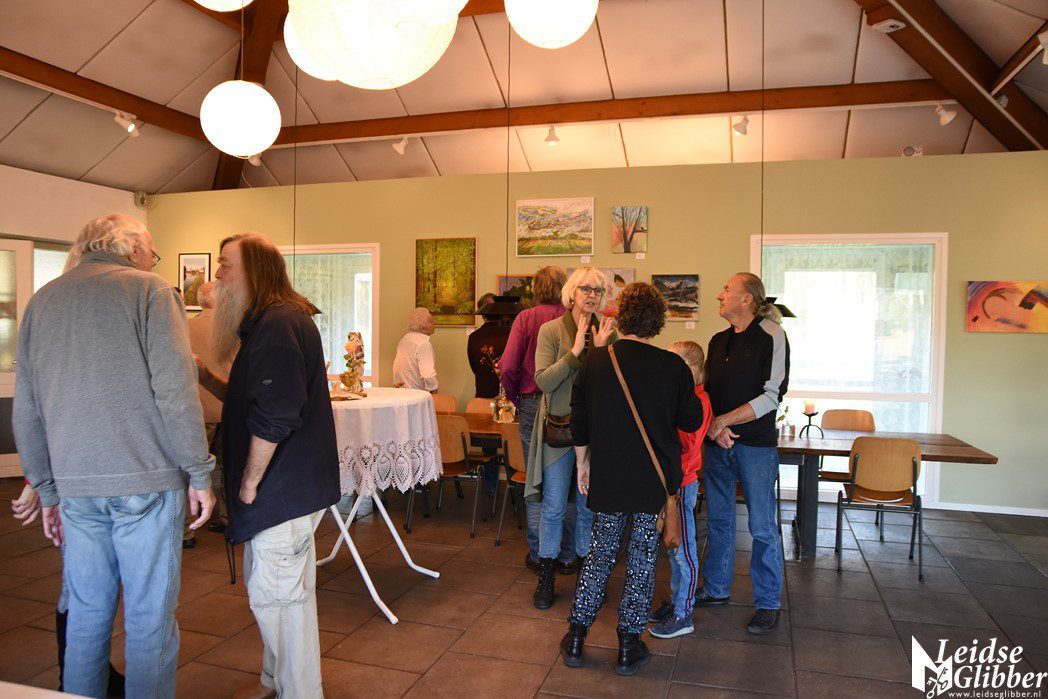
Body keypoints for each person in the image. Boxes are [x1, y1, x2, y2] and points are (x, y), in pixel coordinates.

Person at [13, 214, 216, 699]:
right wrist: (199, 472)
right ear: (133, 249)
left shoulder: (43, 301)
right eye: (153, 253)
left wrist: (46, 489)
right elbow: (175, 390)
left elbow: (28, 406)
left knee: (86, 618)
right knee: (149, 621)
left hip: (76, 488)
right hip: (147, 481)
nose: (152, 262)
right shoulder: (149, 290)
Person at [196, 232, 340, 699]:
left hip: (280, 490)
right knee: (279, 593)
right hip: (287, 489)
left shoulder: (277, 324)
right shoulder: (272, 321)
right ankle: (275, 682)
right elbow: (250, 402)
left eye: (225, 264)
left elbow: (276, 415)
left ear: (253, 271)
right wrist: (204, 377)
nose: (218, 275)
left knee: (279, 601)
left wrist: (249, 483)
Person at [560, 282, 703, 675]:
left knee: (600, 555)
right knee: (642, 560)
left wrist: (583, 463)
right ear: (657, 322)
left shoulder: (595, 362)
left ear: (620, 318)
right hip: (653, 482)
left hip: (609, 475)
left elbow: (579, 420)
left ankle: (576, 637)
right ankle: (628, 645)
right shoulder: (672, 366)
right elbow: (691, 420)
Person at [698, 272, 790, 635]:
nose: (720, 294)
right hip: (717, 446)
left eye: (727, 289)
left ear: (747, 298)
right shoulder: (717, 341)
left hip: (755, 448)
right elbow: (708, 392)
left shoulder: (773, 335)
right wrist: (714, 426)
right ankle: (716, 588)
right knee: (719, 522)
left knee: (762, 527)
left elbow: (772, 395)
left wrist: (723, 421)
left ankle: (768, 603)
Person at [528, 266, 616, 609]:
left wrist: (599, 351)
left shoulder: (608, 332)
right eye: (585, 289)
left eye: (598, 290)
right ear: (572, 293)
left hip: (595, 434)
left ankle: (586, 577)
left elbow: (611, 386)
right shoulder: (551, 330)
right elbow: (543, 381)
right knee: (552, 507)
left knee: (587, 508)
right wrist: (576, 351)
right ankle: (547, 575)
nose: (592, 296)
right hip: (559, 432)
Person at [11, 483, 126, 696]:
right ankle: (73, 680)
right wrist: (35, 482)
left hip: (88, 484)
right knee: (79, 591)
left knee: (83, 589)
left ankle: (85, 675)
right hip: (75, 486)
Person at [499, 266, 576, 574]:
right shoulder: (573, 320)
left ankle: (539, 551)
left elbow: (507, 367)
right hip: (570, 407)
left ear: (535, 289)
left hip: (533, 402)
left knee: (536, 479)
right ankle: (567, 552)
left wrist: (516, 398)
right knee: (569, 479)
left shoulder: (526, 319)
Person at [648, 340, 713, 639]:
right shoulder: (686, 396)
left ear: (691, 368)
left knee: (685, 552)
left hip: (682, 484)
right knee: (675, 549)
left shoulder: (699, 401)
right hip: (671, 483)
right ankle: (676, 603)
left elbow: (686, 445)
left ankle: (684, 615)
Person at [187, 280, 230, 536]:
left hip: (197, 408)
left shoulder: (184, 327)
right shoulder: (233, 329)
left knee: (191, 468)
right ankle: (227, 518)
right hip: (227, 406)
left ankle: (187, 528)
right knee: (228, 467)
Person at [467, 293, 513, 399]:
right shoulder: (511, 333)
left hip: (483, 391)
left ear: (482, 314)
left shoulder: (474, 336)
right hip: (507, 394)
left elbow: (474, 366)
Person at [392, 307, 438, 391]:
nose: (434, 324)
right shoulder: (423, 344)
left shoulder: (404, 340)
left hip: (402, 392)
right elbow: (427, 375)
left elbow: (396, 368)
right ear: (423, 328)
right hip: (417, 394)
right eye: (432, 322)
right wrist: (434, 390)